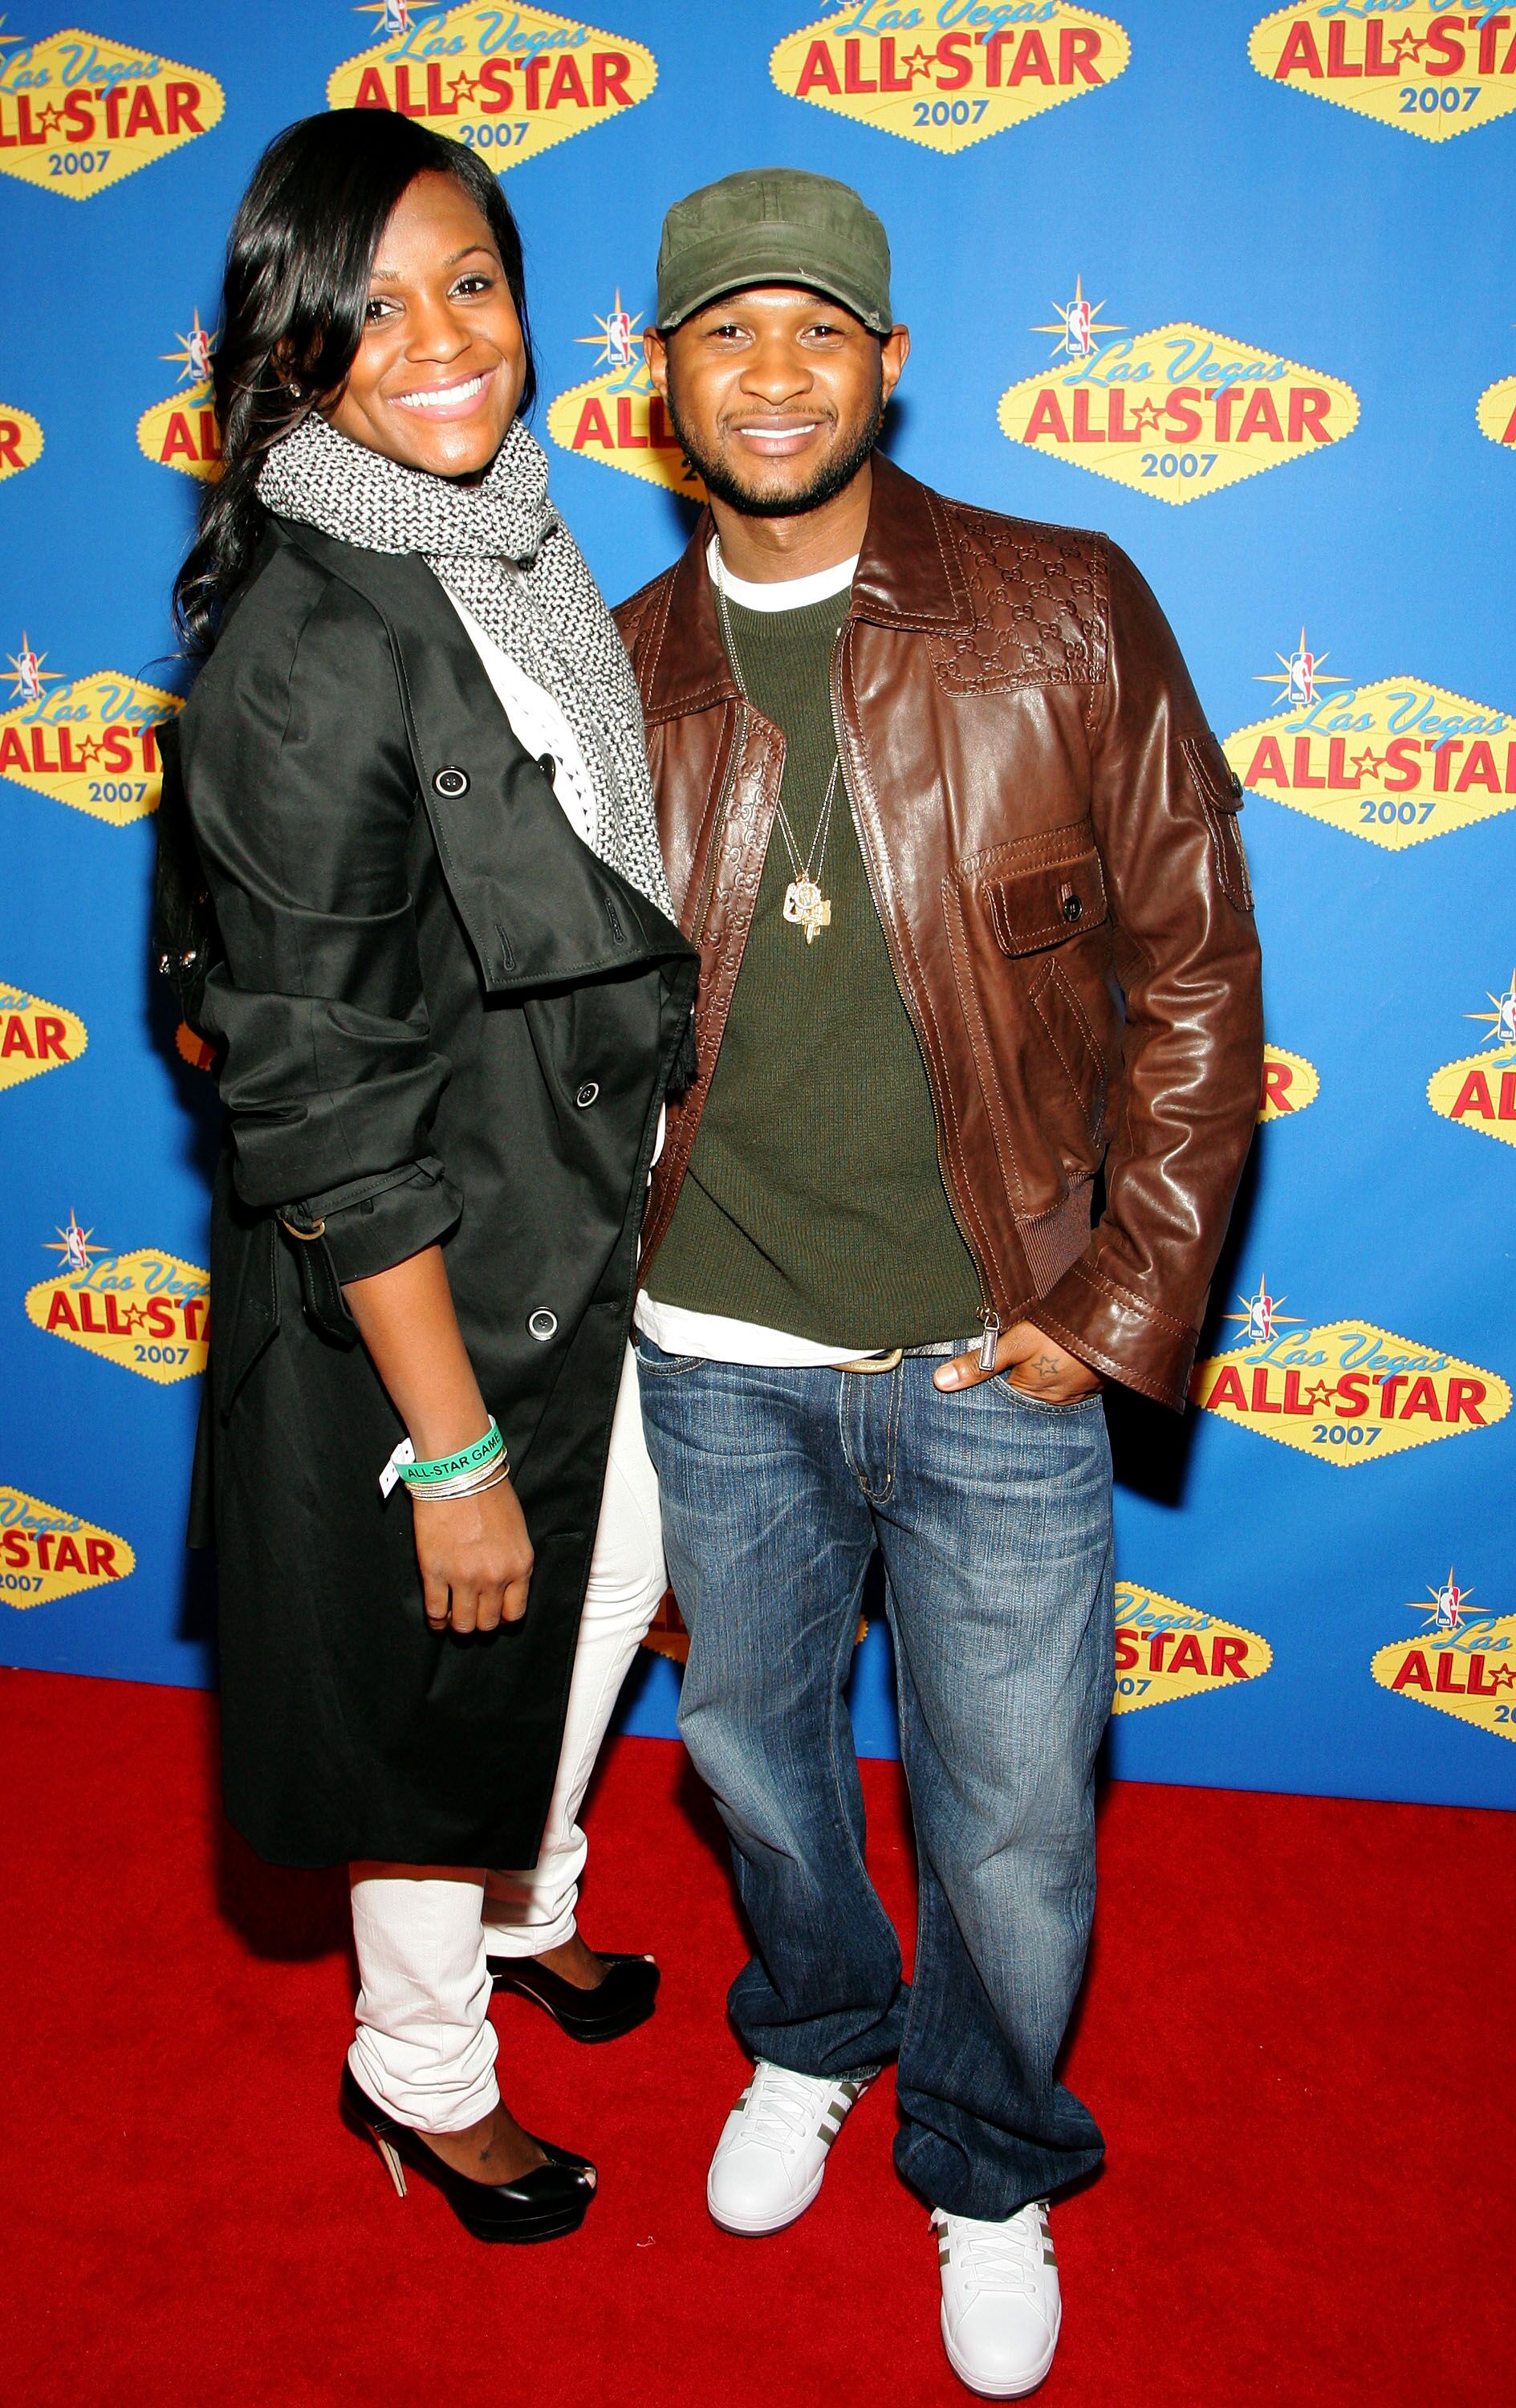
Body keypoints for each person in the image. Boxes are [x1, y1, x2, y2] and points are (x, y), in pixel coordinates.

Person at [617, 169, 1262, 2394]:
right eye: (726, 333)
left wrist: (1114, 1304)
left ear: (890, 363)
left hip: (995, 1357)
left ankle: (985, 2159)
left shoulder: (1063, 605)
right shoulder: (617, 672)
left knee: (1006, 1827)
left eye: (818, 329)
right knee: (756, 1772)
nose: (773, 371)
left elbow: (1194, 974)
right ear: (663, 383)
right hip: (712, 1354)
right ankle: (808, 2030)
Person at [163, 112, 696, 2244]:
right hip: (439, 1300)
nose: (438, 342)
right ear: (288, 348)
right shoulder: (316, 642)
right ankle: (421, 2066)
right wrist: (448, 1448)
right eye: (365, 305)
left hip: (583, 1237)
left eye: (468, 281)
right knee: (441, 1669)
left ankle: (520, 1899)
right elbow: (321, 1099)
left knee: (605, 1600)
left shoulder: (508, 550)